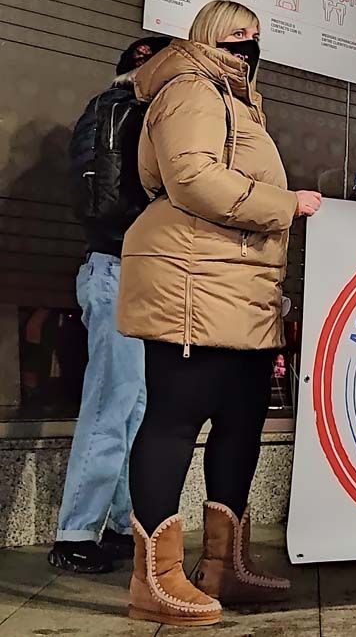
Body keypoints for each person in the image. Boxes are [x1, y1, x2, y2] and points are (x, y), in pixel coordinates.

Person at [118, 0, 323, 626]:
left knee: (241, 423)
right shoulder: (190, 88)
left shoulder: (238, 101)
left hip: (240, 289)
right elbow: (191, 178)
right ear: (208, 34)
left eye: (256, 35)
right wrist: (286, 204)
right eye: (237, 33)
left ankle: (223, 566)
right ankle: (154, 579)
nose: (248, 44)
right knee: (175, 421)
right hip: (194, 283)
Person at [48, 36, 173, 575]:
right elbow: (112, 205)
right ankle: (76, 533)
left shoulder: (111, 111)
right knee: (113, 403)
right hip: (121, 269)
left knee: (134, 404)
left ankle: (120, 524)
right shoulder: (125, 111)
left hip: (127, 269)